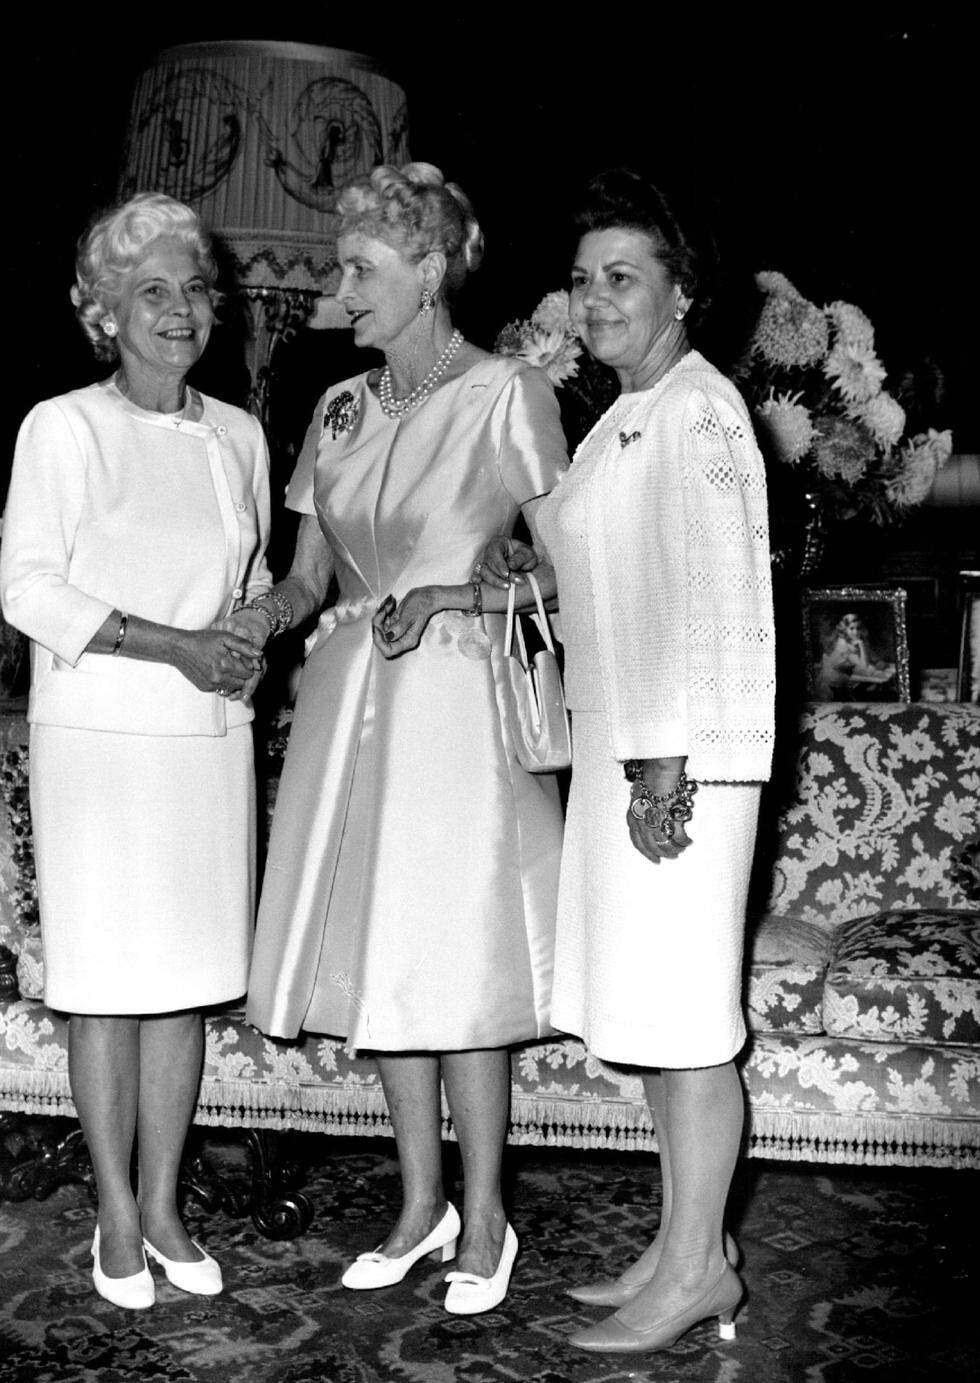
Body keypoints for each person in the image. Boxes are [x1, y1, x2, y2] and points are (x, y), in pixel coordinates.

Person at [243, 162, 568, 1315]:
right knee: (389, 956)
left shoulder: (506, 395)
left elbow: (563, 573)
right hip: (347, 706)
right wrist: (255, 620)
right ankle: (421, 1204)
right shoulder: (335, 408)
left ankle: (488, 1218)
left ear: (430, 273)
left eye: (361, 270)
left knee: (458, 961)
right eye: (341, 268)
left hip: (458, 713)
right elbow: (305, 575)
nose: (341, 290)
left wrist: (461, 598)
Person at [478, 168, 776, 1354]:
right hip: (627, 746)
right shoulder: (628, 413)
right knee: (654, 1015)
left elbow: (712, 598)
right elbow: (608, 560)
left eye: (623, 278)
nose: (594, 300)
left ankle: (701, 1268)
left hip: (675, 757)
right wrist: (532, 575)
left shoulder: (701, 410)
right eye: (584, 279)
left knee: (690, 1023)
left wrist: (667, 764)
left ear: (681, 292)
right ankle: (682, 1242)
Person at [0, 192, 273, 1310]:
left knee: (183, 987)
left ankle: (165, 1205)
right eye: (151, 291)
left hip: (206, 741)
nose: (179, 311)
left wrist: (249, 628)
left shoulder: (240, 434)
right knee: (108, 986)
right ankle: (114, 1212)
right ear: (103, 310)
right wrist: (177, 647)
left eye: (195, 290)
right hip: (101, 744)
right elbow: (30, 590)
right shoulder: (60, 427)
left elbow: (250, 581)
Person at [815, 611, 895, 698]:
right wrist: (861, 646)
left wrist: (878, 662)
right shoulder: (843, 644)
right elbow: (864, 667)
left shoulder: (861, 640)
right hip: (838, 678)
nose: (856, 632)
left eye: (858, 628)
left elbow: (872, 657)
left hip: (853, 673)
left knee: (886, 675)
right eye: (852, 628)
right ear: (845, 630)